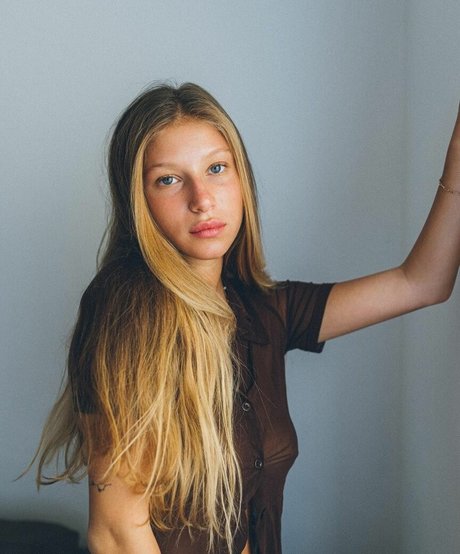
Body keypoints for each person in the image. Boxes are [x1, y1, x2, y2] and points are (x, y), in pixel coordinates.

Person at [33, 83, 460, 554]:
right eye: (169, 180)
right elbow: (116, 533)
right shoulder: (126, 313)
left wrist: (456, 168)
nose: (202, 199)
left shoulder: (261, 309)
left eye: (216, 168)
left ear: (241, 179)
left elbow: (422, 283)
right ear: (139, 199)